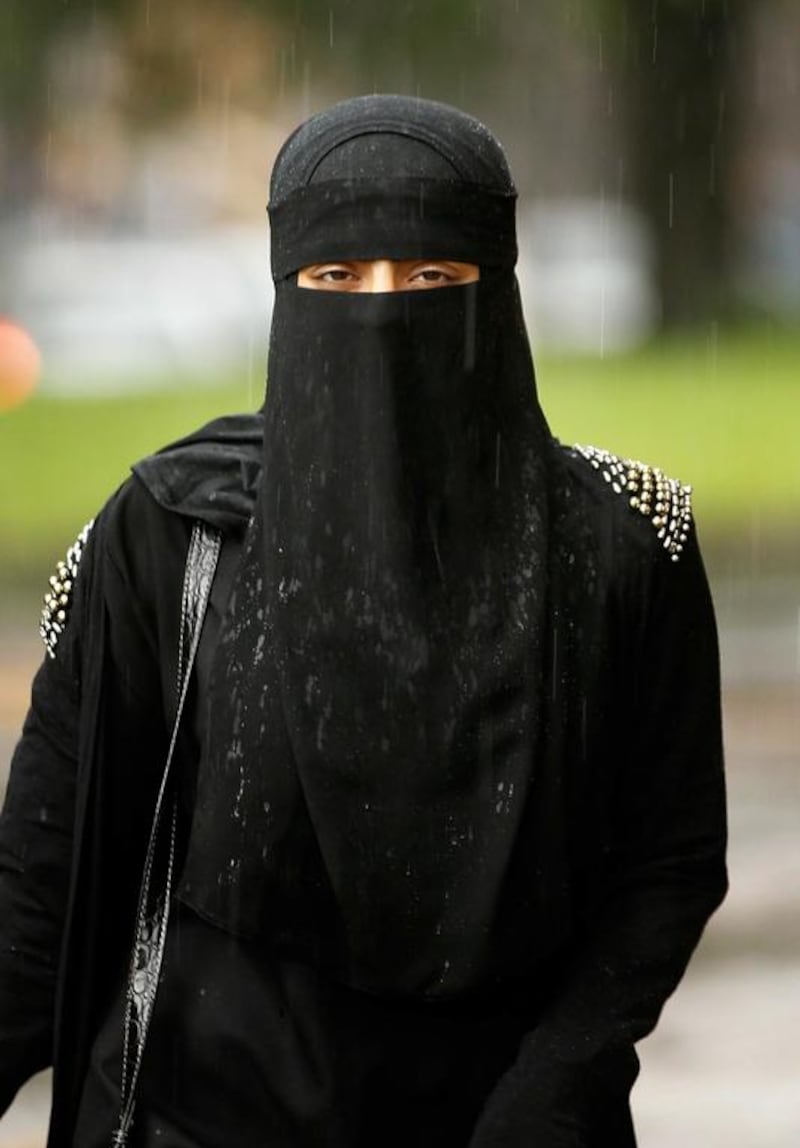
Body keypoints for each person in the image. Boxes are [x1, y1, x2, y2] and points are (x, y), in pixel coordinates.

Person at [0, 95, 727, 1148]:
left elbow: (666, 860)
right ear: (285, 293)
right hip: (204, 1109)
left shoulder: (617, 546)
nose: (382, 312)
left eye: (432, 278)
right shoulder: (171, 532)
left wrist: (560, 1078)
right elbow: (43, 872)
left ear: (497, 292)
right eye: (335, 278)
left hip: (505, 1112)